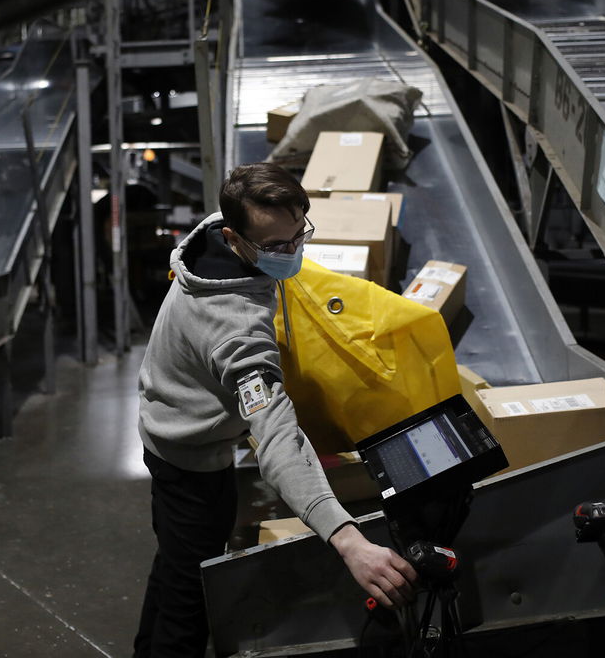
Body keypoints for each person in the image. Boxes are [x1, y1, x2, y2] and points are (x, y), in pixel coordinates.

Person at [133, 162, 417, 657]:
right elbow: (277, 437)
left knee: (174, 566)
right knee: (190, 600)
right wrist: (349, 541)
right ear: (235, 237)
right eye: (276, 247)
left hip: (165, 421)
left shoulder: (208, 242)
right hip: (190, 460)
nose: (294, 253)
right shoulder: (236, 330)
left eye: (298, 236)